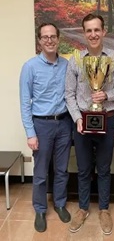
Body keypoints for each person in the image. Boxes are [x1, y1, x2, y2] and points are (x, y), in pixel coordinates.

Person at [65, 13, 114, 235]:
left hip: (107, 120)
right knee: (83, 169)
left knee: (103, 169)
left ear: (103, 32)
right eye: (88, 30)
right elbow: (69, 94)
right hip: (82, 121)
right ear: (84, 33)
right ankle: (82, 208)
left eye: (96, 30)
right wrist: (77, 119)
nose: (93, 34)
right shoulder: (75, 59)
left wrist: (107, 95)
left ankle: (103, 209)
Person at [19, 23, 72, 232]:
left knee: (62, 169)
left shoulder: (67, 65)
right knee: (41, 172)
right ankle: (40, 209)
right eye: (45, 37)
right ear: (39, 41)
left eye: (53, 36)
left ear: (58, 39)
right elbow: (25, 103)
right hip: (41, 124)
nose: (49, 40)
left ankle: (59, 204)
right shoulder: (30, 67)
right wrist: (30, 133)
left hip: (64, 123)